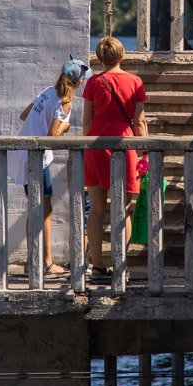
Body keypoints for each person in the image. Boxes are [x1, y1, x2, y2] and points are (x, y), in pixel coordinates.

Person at [12, 58, 89, 276]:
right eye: (83, 78)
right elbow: (52, 136)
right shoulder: (65, 100)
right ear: (78, 81)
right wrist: (66, 126)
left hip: (24, 154)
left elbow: (24, 115)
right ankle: (45, 262)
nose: (84, 81)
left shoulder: (47, 91)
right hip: (38, 157)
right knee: (44, 210)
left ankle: (31, 261)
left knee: (35, 208)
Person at [83, 36, 148, 279]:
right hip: (125, 145)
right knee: (124, 210)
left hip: (96, 146)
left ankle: (98, 265)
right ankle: (120, 265)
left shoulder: (93, 83)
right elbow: (139, 121)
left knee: (97, 210)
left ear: (99, 58)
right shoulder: (135, 81)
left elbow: (87, 121)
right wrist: (144, 151)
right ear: (122, 56)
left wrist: (83, 148)